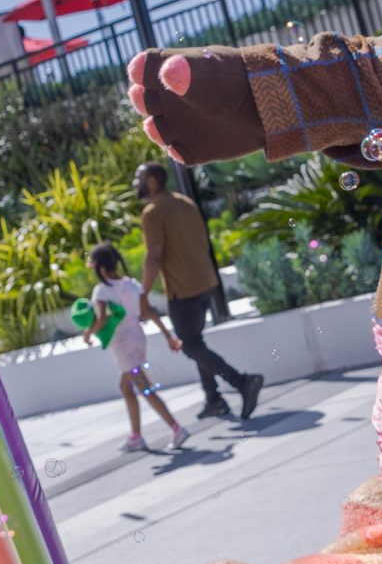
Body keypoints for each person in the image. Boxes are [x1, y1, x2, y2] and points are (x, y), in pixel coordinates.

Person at [133, 161, 262, 421]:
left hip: (184, 289)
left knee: (190, 346)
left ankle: (242, 382)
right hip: (205, 282)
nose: (135, 183)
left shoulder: (153, 211)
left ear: (152, 181)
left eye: (139, 178)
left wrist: (143, 293)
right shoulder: (185, 202)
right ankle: (213, 399)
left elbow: (153, 256)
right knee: (196, 342)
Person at [84, 244, 187, 454]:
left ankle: (176, 428)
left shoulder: (102, 290)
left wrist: (87, 333)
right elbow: (148, 312)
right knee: (126, 386)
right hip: (138, 339)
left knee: (143, 387)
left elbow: (102, 320)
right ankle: (136, 436)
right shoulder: (131, 285)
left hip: (123, 345)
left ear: (100, 268)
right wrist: (169, 336)